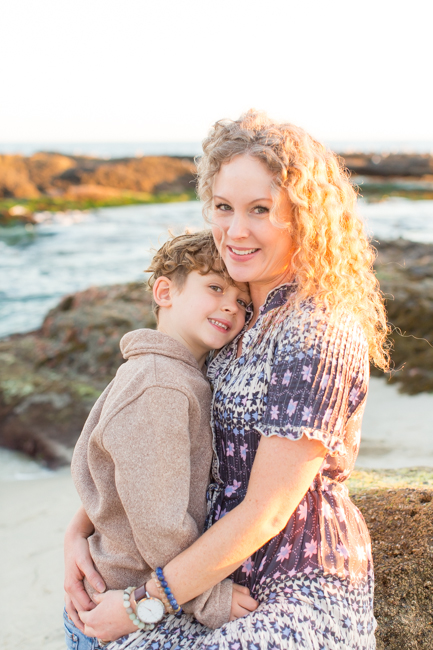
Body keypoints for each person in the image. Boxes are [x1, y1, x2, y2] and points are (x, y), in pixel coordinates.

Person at [65, 110, 389, 649]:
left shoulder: (318, 331)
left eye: (260, 210)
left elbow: (266, 512)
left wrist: (144, 602)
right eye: (223, 207)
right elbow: (147, 438)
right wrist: (79, 533)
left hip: (296, 585)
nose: (235, 232)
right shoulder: (229, 320)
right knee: (87, 627)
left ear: (304, 217)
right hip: (201, 575)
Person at [63, 230, 256, 649]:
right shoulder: (159, 384)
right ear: (165, 291)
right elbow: (158, 519)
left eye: (243, 301)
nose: (230, 305)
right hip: (123, 602)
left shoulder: (169, 373)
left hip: (125, 589)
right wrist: (207, 596)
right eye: (215, 287)